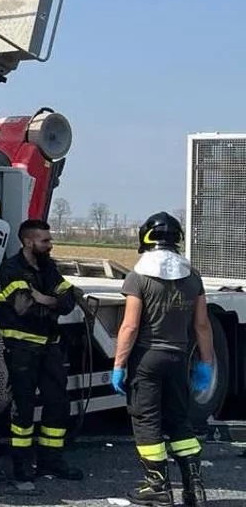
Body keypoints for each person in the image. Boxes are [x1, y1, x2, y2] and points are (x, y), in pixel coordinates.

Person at [111, 211, 213, 506]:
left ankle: (156, 486)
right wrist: (206, 363)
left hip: (147, 359)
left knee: (147, 421)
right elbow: (202, 325)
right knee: (180, 420)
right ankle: (194, 486)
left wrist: (118, 365)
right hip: (179, 358)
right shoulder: (192, 277)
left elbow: (129, 326)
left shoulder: (138, 276)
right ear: (178, 239)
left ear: (145, 238)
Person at [0, 218, 84, 483]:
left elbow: (70, 301)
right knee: (23, 408)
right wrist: (52, 303)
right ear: (28, 241)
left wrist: (47, 299)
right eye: (45, 241)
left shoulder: (48, 268)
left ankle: (51, 462)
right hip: (22, 349)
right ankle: (22, 468)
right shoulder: (11, 269)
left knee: (58, 404)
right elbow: (24, 308)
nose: (50, 245)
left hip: (50, 348)